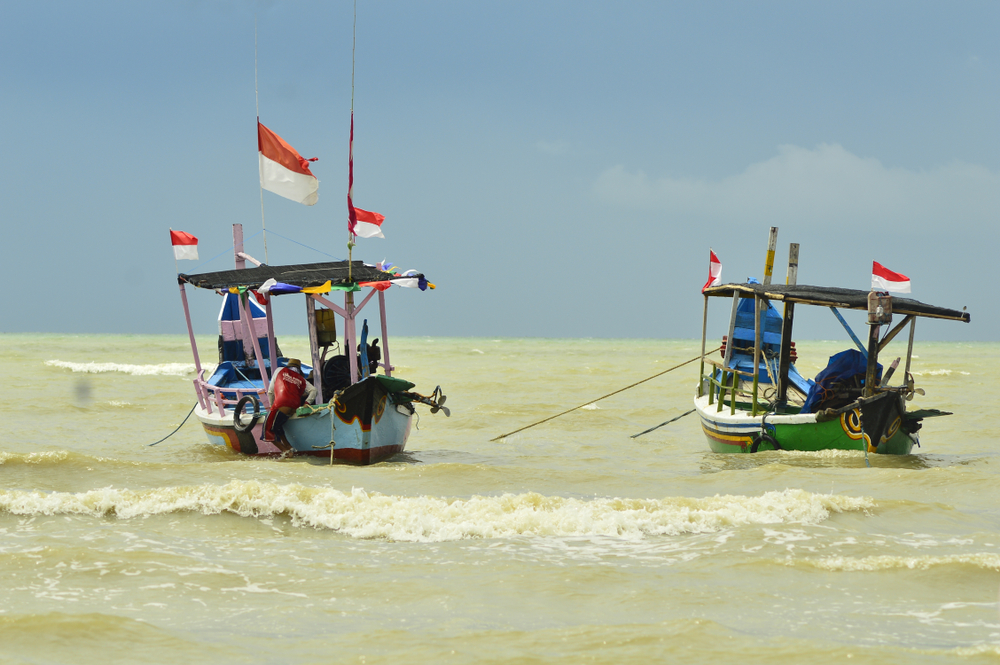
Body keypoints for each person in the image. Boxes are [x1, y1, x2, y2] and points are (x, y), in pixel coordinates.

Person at [263, 359, 316, 456]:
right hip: (294, 407)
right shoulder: (301, 379)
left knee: (267, 431)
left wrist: (271, 407)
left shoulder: (279, 370)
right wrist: (307, 403)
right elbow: (314, 390)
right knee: (278, 427)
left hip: (281, 404)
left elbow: (270, 392)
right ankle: (289, 446)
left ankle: (286, 452)